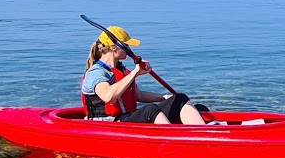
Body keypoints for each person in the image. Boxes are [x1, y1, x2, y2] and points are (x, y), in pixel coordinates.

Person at [80, 26, 213, 125]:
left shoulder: (121, 69)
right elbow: (108, 96)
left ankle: (203, 134)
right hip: (109, 124)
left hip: (127, 117)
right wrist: (135, 73)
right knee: (150, 111)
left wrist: (165, 97)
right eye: (126, 45)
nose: (130, 49)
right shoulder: (96, 72)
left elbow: (139, 95)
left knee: (179, 99)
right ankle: (173, 141)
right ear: (114, 48)